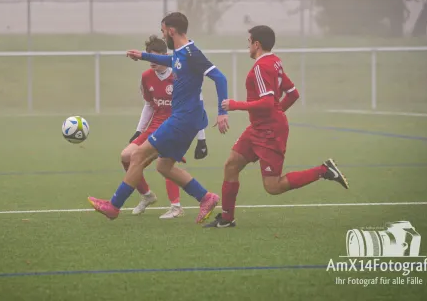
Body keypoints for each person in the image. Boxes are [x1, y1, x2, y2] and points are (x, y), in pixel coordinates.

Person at [88, 12, 229, 223]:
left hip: (182, 120)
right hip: (186, 120)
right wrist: (143, 56)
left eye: (163, 31)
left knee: (137, 156)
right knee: (163, 166)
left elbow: (220, 77)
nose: (163, 35)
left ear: (171, 30)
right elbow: (169, 59)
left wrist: (222, 112)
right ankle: (206, 197)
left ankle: (114, 206)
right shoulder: (181, 53)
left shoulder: (192, 53)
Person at [204, 25, 349, 229]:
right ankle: (227, 219)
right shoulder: (275, 62)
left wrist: (236, 105)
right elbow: (292, 93)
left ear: (257, 44)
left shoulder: (261, 67)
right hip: (258, 128)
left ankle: (324, 170)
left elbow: (266, 102)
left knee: (273, 186)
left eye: (249, 42)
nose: (247, 46)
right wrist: (277, 112)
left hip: (270, 132)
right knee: (231, 164)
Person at [123, 34, 209, 219]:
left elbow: (197, 104)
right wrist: (139, 130)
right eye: (149, 56)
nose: (152, 61)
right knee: (126, 157)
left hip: (176, 125)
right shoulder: (146, 77)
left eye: (155, 56)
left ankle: (176, 206)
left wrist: (202, 139)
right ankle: (146, 195)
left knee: (165, 162)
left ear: (164, 55)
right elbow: (149, 105)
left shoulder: (180, 73)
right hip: (155, 125)